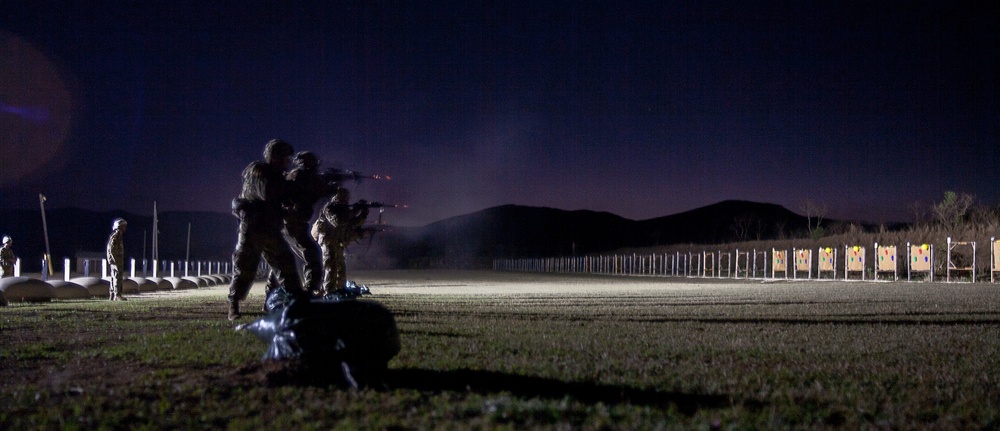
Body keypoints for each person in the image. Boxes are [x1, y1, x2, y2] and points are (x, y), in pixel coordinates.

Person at [227, 139, 306, 320]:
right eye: (285, 158)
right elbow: (267, 192)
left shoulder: (278, 177)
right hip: (253, 228)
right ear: (275, 157)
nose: (288, 162)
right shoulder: (258, 171)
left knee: (286, 265)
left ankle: (295, 303)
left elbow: (285, 200)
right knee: (245, 266)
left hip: (271, 228)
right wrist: (290, 184)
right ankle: (234, 303)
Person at [267, 151, 336, 297]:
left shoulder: (294, 175)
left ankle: (271, 295)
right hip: (294, 223)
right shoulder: (303, 176)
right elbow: (320, 190)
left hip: (288, 223)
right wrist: (332, 187)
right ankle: (310, 290)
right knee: (312, 256)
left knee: (284, 261)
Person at [311, 188, 369, 295]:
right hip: (328, 240)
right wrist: (353, 211)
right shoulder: (329, 207)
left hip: (337, 241)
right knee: (330, 266)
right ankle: (329, 291)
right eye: (344, 196)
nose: (346, 199)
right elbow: (337, 221)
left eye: (347, 196)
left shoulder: (344, 210)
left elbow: (353, 223)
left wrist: (363, 214)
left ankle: (339, 289)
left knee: (341, 267)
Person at [106, 218, 128, 301]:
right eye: (123, 226)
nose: (124, 228)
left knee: (114, 276)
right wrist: (115, 259)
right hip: (116, 260)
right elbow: (111, 248)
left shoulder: (117, 235)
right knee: (117, 277)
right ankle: (117, 295)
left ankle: (112, 295)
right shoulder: (116, 236)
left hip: (115, 259)